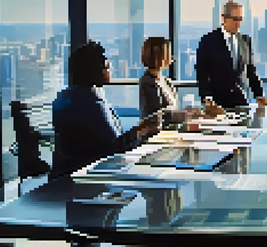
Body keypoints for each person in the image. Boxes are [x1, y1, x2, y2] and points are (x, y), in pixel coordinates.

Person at [51, 41, 160, 179]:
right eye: (107, 67)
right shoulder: (91, 103)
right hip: (88, 177)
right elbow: (115, 147)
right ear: (95, 71)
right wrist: (142, 130)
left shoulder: (70, 97)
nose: (110, 71)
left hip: (72, 174)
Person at [196, 0, 267, 109]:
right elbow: (202, 73)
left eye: (240, 19)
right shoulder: (209, 41)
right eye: (235, 19)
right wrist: (207, 98)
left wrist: (259, 95)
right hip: (218, 105)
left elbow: (251, 71)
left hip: (241, 102)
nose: (238, 23)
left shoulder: (245, 41)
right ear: (224, 18)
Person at [139, 37, 212, 129]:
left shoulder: (167, 82)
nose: (170, 57)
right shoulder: (147, 82)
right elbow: (156, 116)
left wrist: (192, 111)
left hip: (171, 131)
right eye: (167, 53)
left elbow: (173, 111)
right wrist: (187, 114)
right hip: (157, 134)